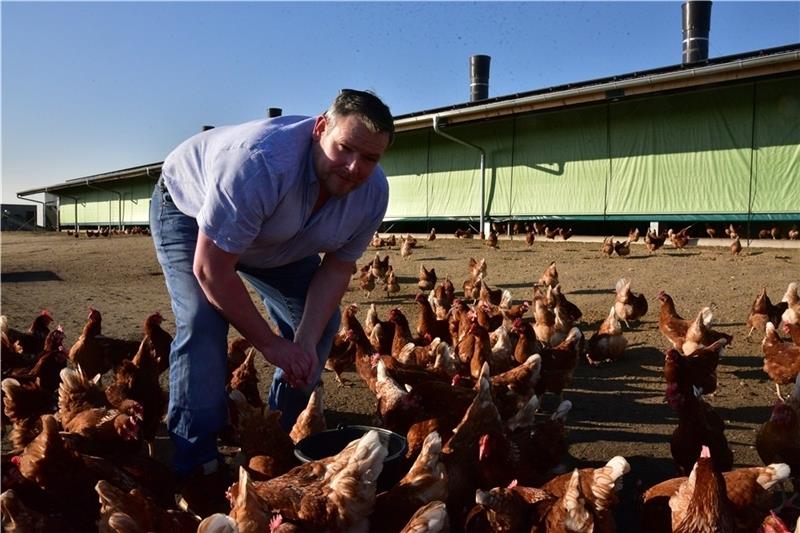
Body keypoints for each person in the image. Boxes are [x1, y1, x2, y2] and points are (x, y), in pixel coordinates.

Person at [149, 89, 393, 515]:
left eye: (369, 158)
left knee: (319, 325)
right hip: (191, 213)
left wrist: (302, 343)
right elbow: (212, 269)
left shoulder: (372, 193)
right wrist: (270, 344)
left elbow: (337, 269)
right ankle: (196, 462)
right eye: (344, 148)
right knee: (203, 322)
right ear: (320, 128)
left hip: (279, 238)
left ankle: (280, 435)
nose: (355, 167)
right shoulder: (258, 163)